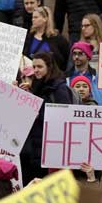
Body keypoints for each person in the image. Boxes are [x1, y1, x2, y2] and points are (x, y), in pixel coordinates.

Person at [19, 52, 74, 184]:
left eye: (39, 66)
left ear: (49, 67)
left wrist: (39, 113)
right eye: (34, 66)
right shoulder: (37, 87)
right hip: (33, 150)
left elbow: (63, 119)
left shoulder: (60, 89)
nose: (36, 70)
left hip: (48, 152)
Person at [22, 6, 70, 71]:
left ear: (45, 19)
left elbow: (66, 57)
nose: (33, 19)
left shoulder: (58, 39)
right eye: (32, 17)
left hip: (52, 76)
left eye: (36, 17)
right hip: (32, 75)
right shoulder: (29, 37)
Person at [66, 41, 102, 105]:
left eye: (80, 53)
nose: (76, 57)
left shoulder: (98, 78)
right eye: (74, 54)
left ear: (88, 56)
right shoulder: (66, 78)